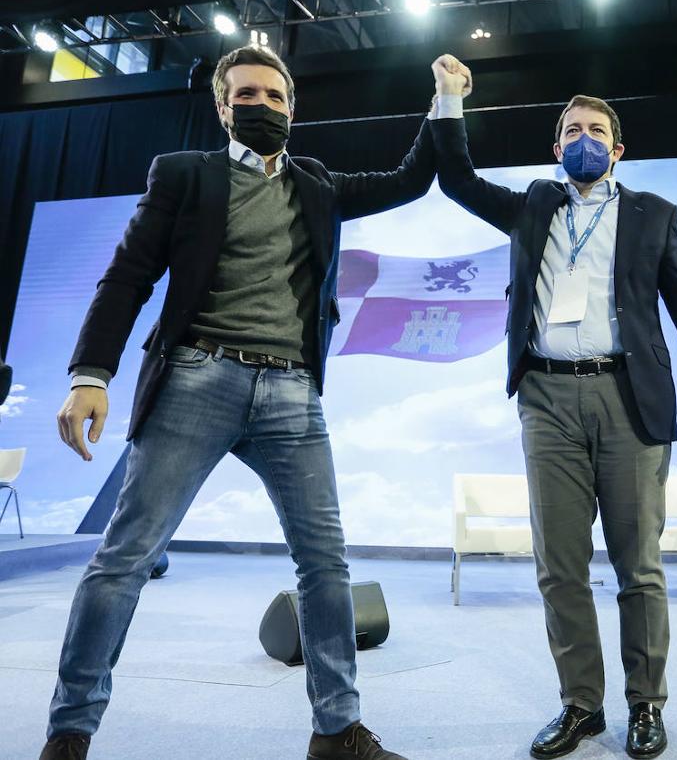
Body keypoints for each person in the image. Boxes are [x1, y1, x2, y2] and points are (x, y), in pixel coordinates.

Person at [43, 45, 435, 760]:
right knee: (123, 559)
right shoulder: (185, 174)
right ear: (223, 108)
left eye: (273, 96)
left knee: (326, 567)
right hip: (198, 378)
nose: (261, 106)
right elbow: (127, 276)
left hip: (292, 394)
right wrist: (88, 373)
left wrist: (446, 101)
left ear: (293, 108)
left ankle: (337, 732)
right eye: (245, 95)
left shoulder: (316, 183)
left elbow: (412, 179)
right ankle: (70, 734)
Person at [427, 54, 677, 760]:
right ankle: (580, 706)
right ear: (555, 146)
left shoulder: (654, 215)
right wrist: (450, 101)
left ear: (618, 148)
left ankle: (645, 705)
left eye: (596, 129)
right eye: (571, 129)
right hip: (546, 397)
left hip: (627, 398)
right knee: (559, 567)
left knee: (639, 566)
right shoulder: (535, 204)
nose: (583, 138)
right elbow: (455, 179)